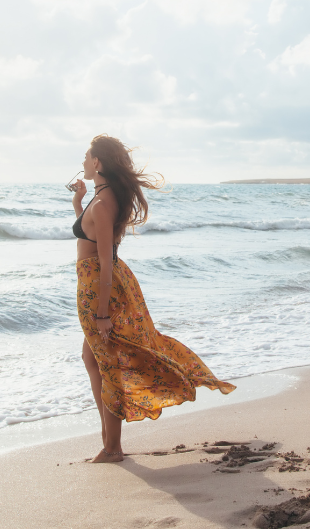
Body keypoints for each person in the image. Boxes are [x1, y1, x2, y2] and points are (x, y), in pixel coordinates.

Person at [71, 134, 236, 463]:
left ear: (98, 162)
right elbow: (87, 233)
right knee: (92, 359)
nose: (84, 163)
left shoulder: (104, 204)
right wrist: (78, 202)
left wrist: (102, 312)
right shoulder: (101, 198)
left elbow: (106, 260)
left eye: (87, 157)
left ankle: (112, 447)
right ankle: (109, 442)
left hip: (97, 287)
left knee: (105, 363)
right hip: (102, 282)